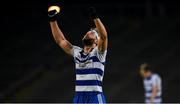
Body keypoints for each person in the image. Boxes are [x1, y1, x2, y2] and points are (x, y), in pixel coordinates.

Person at [48, 6, 108, 104]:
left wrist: (95, 17)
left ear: (97, 41)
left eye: (92, 33)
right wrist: (52, 19)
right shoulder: (77, 52)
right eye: (87, 33)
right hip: (79, 97)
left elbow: (104, 36)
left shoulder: (99, 53)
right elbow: (60, 40)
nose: (88, 33)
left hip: (95, 97)